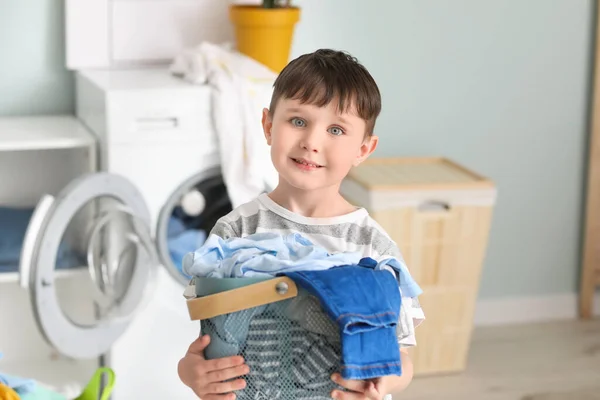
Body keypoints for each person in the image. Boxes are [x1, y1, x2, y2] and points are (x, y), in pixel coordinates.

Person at [178, 48, 424, 400]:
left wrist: (384, 383)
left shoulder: (371, 245)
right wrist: (189, 372)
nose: (311, 142)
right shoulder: (235, 232)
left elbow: (401, 354)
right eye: (298, 121)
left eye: (336, 129)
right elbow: (207, 337)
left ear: (363, 149)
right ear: (268, 126)